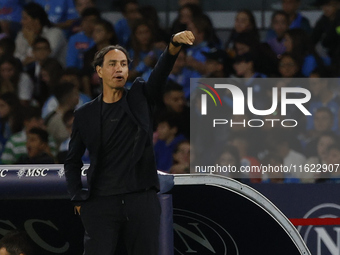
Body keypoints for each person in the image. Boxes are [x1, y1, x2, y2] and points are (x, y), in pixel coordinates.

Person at [64, 30, 195, 254]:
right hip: (101, 202)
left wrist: (173, 45)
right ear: (99, 71)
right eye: (113, 64)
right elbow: (72, 160)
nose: (119, 69)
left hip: (140, 200)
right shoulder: (85, 114)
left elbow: (160, 73)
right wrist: (77, 197)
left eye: (124, 64)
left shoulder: (141, 97)